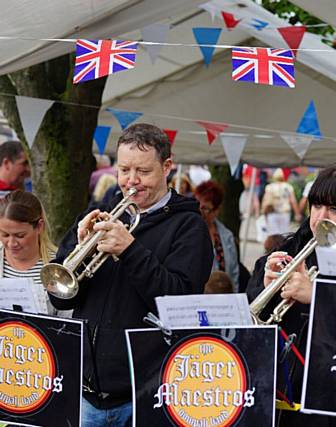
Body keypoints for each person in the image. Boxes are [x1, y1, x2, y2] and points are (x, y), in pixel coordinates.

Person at [48, 123, 213, 427]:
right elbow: (59, 295)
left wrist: (130, 251)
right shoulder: (104, 213)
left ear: (167, 167)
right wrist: (76, 244)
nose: (131, 182)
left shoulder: (190, 227)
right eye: (124, 170)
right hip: (85, 389)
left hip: (144, 395)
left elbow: (178, 303)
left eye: (143, 171)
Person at [247, 162, 336, 427]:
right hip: (285, 396)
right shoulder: (290, 249)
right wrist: (264, 283)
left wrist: (319, 297)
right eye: (316, 206)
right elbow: (252, 323)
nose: (320, 218)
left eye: (335, 210)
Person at [0, 190, 69, 316]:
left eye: (20, 235)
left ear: (39, 227)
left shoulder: (58, 265)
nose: (11, 243)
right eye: (4, 235)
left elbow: (66, 322)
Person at [194, 180, 240, 293]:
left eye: (205, 208)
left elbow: (234, 274)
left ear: (216, 210)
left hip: (221, 300)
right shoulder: (188, 233)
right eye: (197, 205)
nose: (199, 211)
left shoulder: (227, 236)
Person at [261, 168, 301, 236]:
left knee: (273, 234)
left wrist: (263, 212)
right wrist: (297, 214)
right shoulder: (288, 187)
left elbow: (266, 200)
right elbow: (293, 201)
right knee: (284, 234)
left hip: (272, 212)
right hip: (285, 213)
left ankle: (274, 247)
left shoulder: (270, 187)